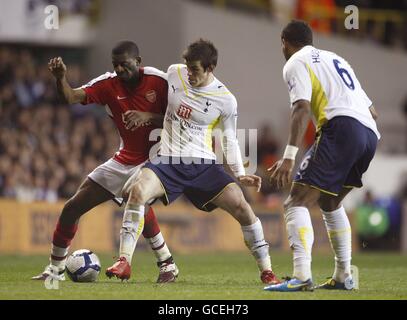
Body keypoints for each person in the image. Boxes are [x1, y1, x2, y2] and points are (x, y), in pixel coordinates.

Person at [117, 39, 280, 285]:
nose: (189, 72)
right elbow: (149, 82)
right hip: (168, 161)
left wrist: (240, 172)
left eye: (194, 69)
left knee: (242, 207)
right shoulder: (174, 73)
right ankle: (124, 261)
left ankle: (267, 271)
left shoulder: (226, 100)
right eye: (187, 66)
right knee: (137, 192)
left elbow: (229, 139)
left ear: (210, 68)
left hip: (203, 165)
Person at [32, 41, 179, 283]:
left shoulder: (160, 81)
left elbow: (183, 118)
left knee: (138, 199)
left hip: (157, 159)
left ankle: (166, 264)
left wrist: (148, 116)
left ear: (138, 62)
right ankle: (55, 270)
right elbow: (70, 97)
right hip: (125, 158)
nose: (120, 69)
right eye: (116, 65)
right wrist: (61, 78)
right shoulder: (108, 84)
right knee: (72, 208)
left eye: (125, 64)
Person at [265, 20, 380, 292]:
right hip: (369, 134)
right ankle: (343, 276)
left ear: (284, 42)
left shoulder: (295, 62)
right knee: (330, 203)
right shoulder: (336, 58)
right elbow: (373, 111)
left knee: (295, 201)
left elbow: (301, 107)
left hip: (341, 128)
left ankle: (302, 275)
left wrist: (290, 156)